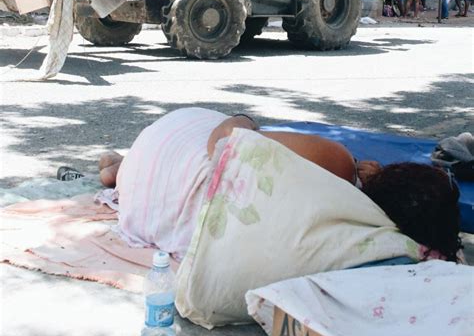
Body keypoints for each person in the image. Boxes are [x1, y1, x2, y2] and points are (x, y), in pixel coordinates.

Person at [92, 108, 461, 264]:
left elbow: (224, 143)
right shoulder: (345, 244)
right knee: (135, 173)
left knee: (191, 148)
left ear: (389, 174)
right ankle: (121, 173)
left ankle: (120, 168)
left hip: (173, 156)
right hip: (150, 203)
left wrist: (245, 118)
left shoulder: (340, 164)